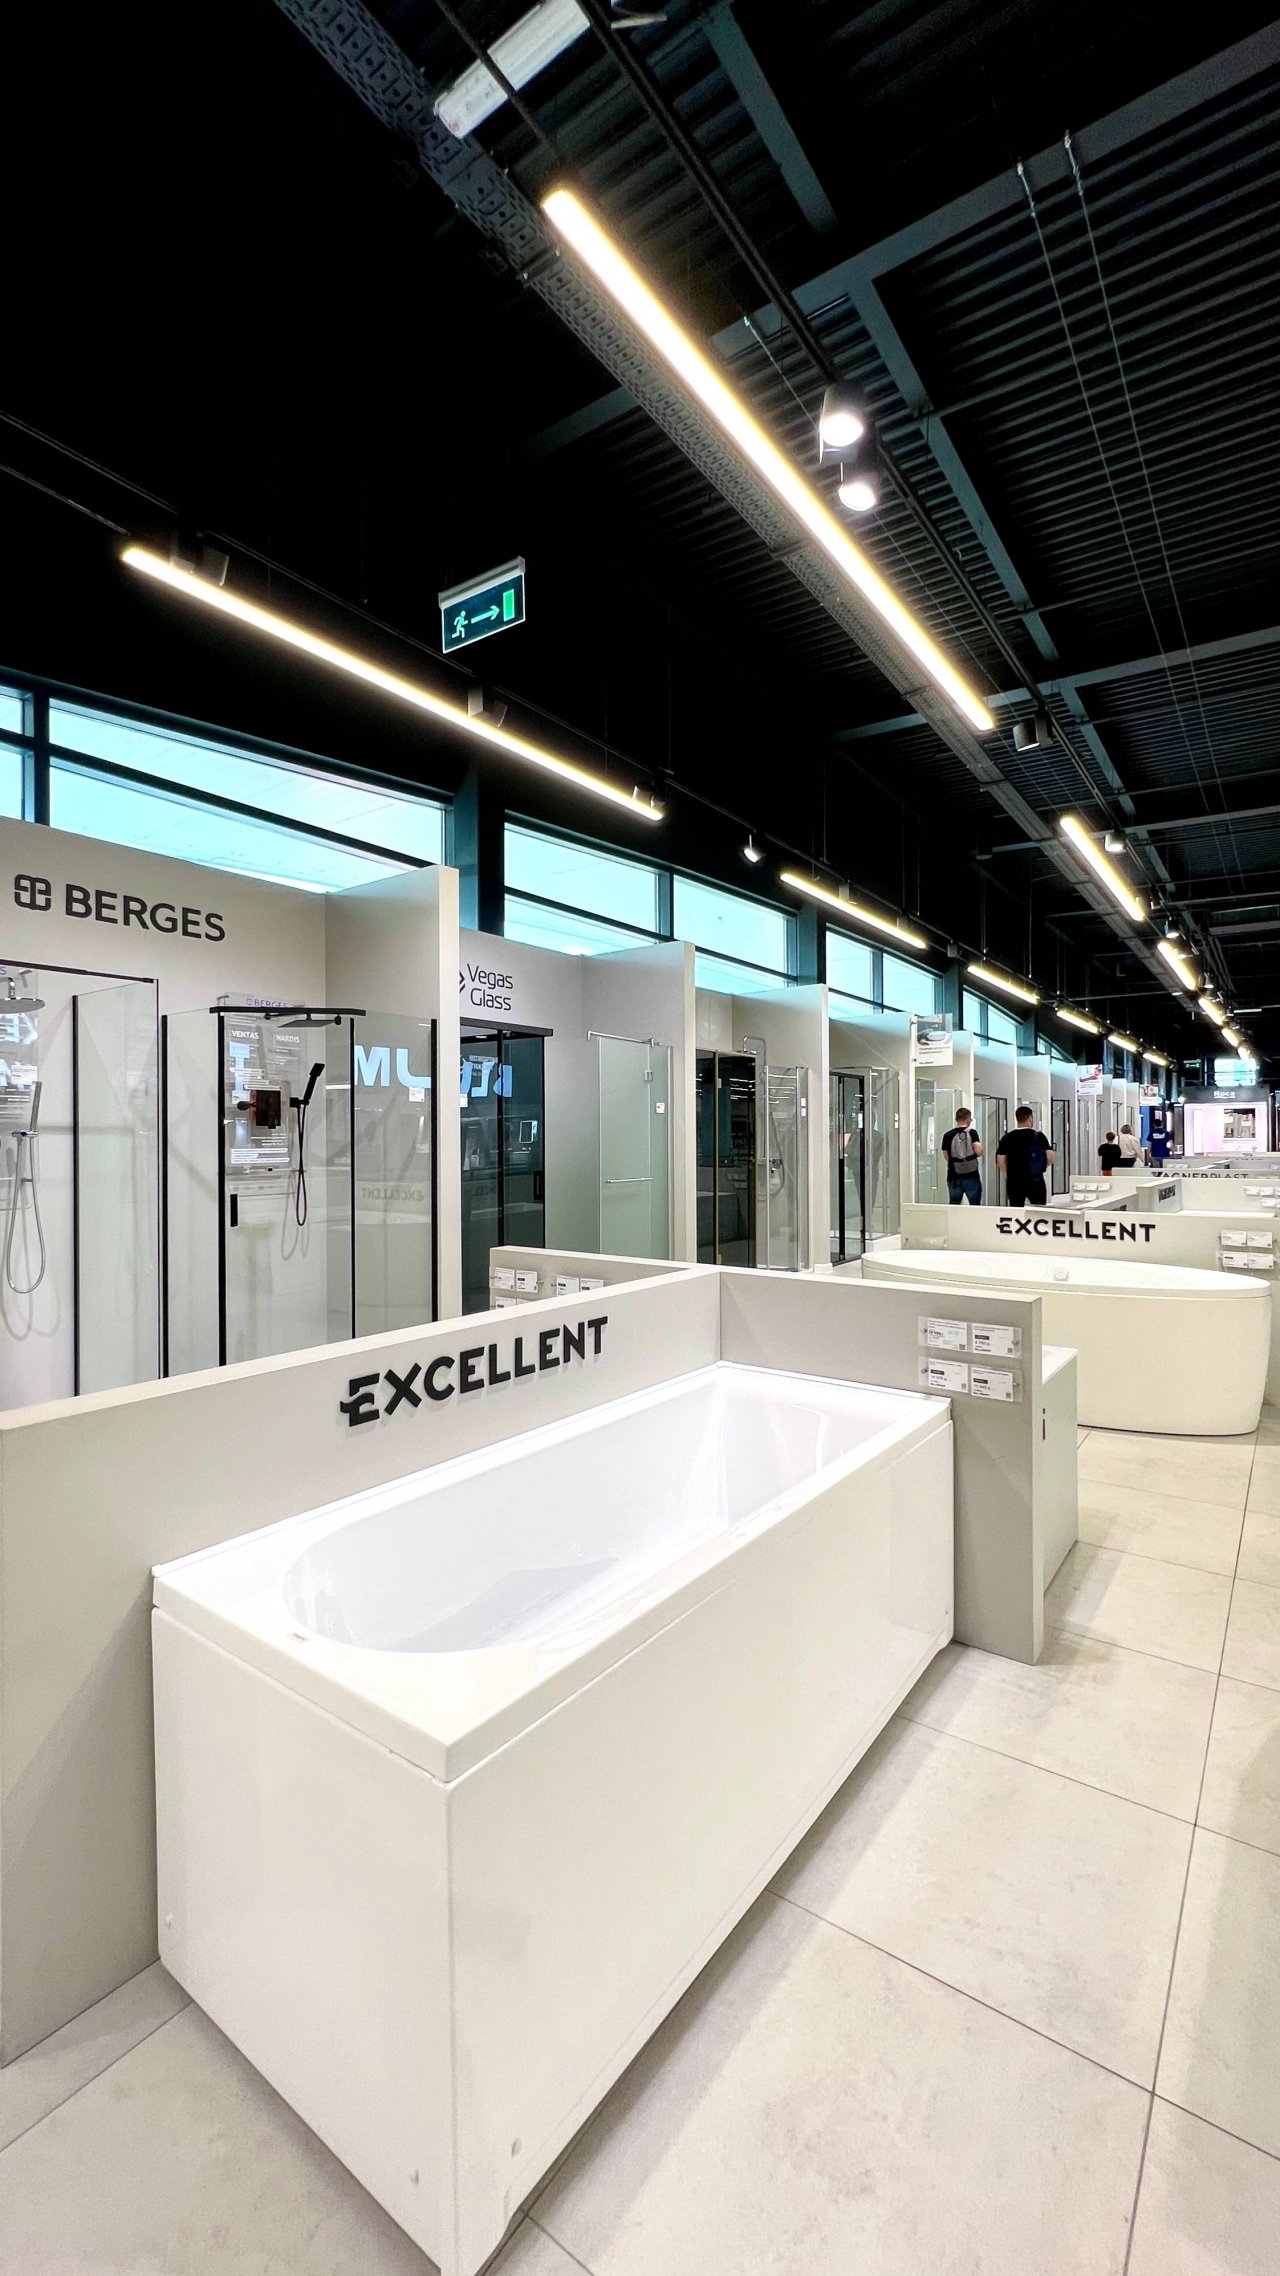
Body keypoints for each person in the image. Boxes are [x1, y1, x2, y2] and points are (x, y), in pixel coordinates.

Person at [996, 1105, 1055, 1207]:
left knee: (1016, 1209)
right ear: (1030, 1118)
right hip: (1035, 1179)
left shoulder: (1007, 1138)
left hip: (1014, 1180)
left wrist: (1010, 1173)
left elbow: (1001, 1161)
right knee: (1039, 1209)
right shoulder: (1038, 1136)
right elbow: (1050, 1157)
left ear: (1017, 1119)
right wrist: (1041, 1167)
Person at [941, 1106, 983, 1204]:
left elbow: (946, 1156)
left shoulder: (947, 1135)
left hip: (953, 1176)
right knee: (975, 1205)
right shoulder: (972, 1132)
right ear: (968, 1119)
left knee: (954, 1206)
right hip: (971, 1175)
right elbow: (979, 1151)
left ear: (956, 1119)